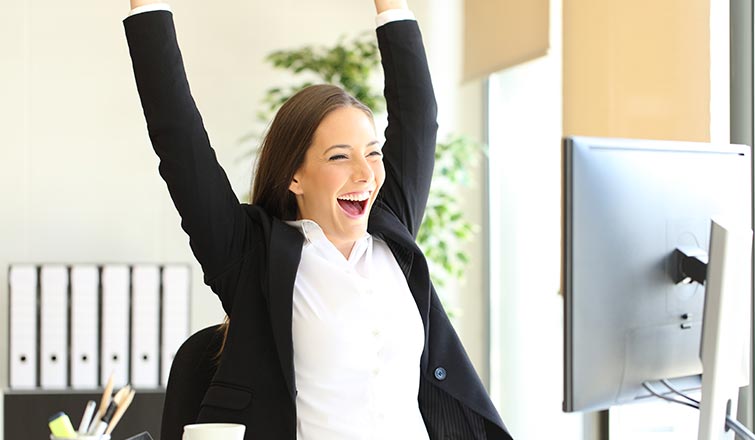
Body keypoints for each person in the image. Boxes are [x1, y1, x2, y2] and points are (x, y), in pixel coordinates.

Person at [124, 1, 511, 438]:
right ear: (295, 175)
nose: (365, 175)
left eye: (372, 152)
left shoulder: (390, 234)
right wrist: (147, 8)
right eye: (339, 157)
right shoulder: (254, 258)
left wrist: (391, 6)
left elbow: (419, 118)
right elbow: (179, 139)